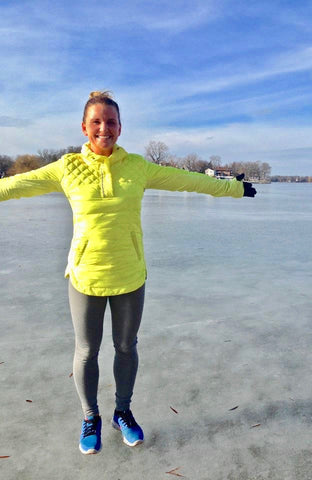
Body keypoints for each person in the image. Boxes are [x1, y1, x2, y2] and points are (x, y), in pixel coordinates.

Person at [0, 91, 256, 455]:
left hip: (129, 275)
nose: (104, 128)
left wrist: (233, 188)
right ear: (85, 127)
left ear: (120, 127)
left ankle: (123, 411)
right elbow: (14, 185)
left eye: (111, 122)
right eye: (97, 122)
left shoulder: (137, 166)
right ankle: (91, 418)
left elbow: (187, 180)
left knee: (125, 347)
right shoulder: (65, 168)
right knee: (87, 352)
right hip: (85, 277)